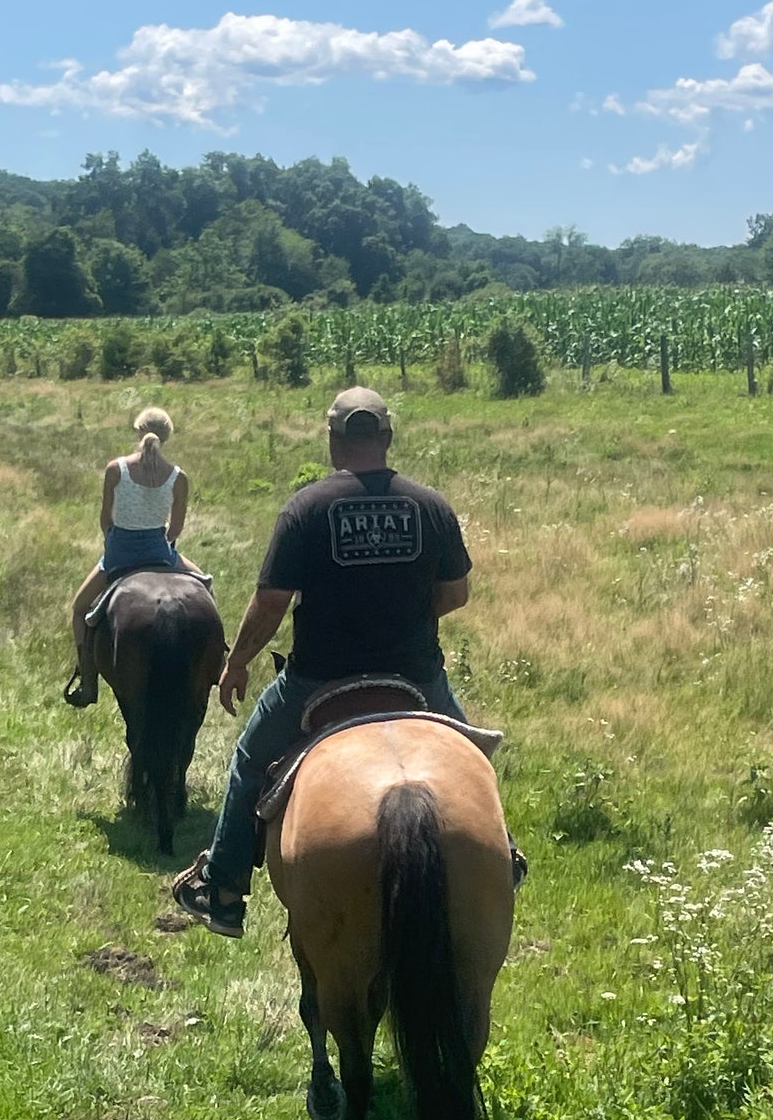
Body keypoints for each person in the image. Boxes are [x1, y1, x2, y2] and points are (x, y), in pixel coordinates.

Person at [173, 386, 523, 937]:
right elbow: (456, 593)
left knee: (249, 760)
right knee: (474, 759)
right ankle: (501, 855)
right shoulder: (430, 505)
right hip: (415, 677)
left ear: (334, 441)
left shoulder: (306, 508)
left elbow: (271, 603)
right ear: (386, 438)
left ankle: (223, 887)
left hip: (317, 680)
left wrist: (237, 661)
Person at [66, 406, 205, 706]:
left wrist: (120, 541)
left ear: (137, 431)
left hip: (119, 553)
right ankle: (216, 661)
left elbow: (106, 520)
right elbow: (176, 527)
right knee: (205, 584)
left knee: (79, 609)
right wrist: (160, 543)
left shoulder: (116, 469)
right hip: (159, 550)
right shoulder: (178, 478)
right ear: (167, 436)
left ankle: (88, 681)